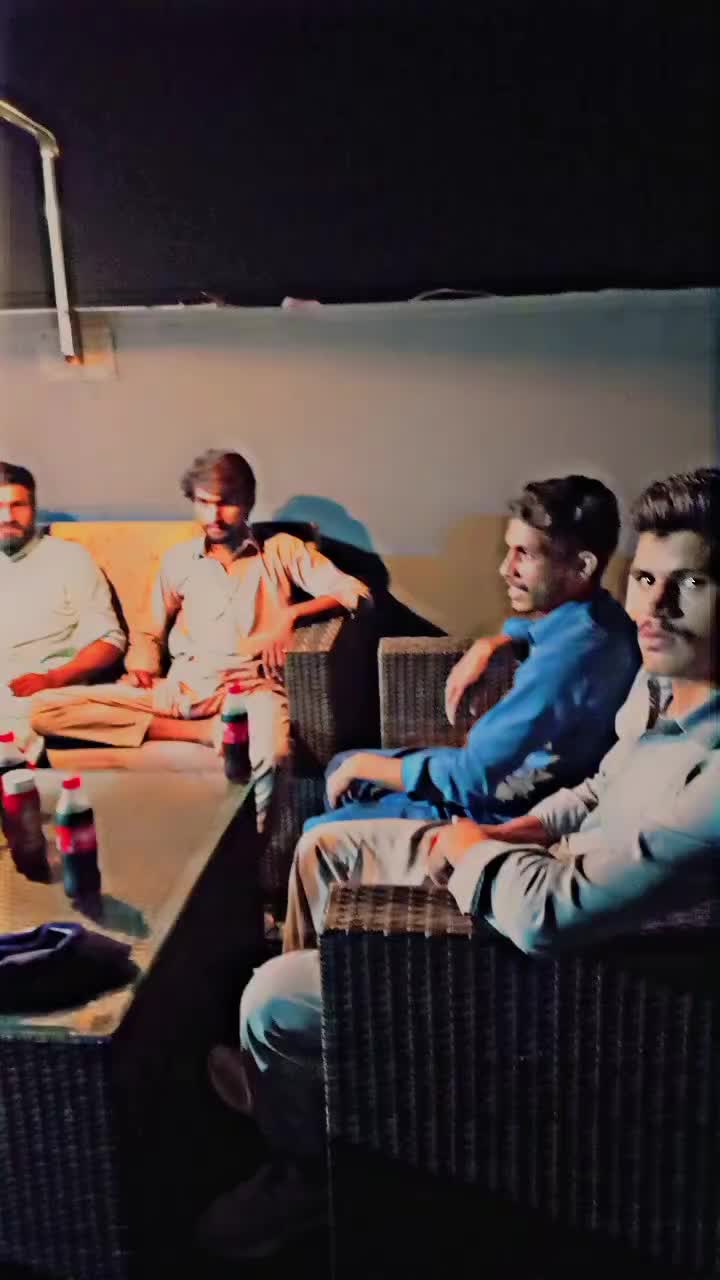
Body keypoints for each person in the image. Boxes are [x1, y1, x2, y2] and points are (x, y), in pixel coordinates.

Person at [197, 466, 720, 1261]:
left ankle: (305, 1173)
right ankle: (313, 1082)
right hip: (530, 863)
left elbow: (550, 917)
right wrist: (520, 827)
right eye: (646, 578)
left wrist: (476, 847)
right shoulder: (661, 677)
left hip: (567, 973)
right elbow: (599, 788)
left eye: (691, 584)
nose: (654, 605)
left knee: (270, 997)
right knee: (330, 846)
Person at [287, 474, 640, 948]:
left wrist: (366, 766)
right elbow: (543, 630)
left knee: (322, 823)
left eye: (524, 554)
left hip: (502, 804)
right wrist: (498, 639)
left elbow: (472, 776)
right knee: (342, 767)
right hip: (503, 781)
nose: (505, 568)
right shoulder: (602, 620)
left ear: (581, 565)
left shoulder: (567, 661)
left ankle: (327, 956)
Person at [30, 450, 370, 825]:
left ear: (248, 502)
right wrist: (142, 667)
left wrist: (291, 615)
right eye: (204, 503)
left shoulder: (281, 550)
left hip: (250, 692)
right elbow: (148, 631)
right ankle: (204, 733)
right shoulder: (178, 560)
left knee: (273, 754)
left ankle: (252, 843)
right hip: (181, 691)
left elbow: (356, 592)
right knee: (45, 709)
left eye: (226, 503)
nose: (214, 516)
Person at [0, 461, 126, 760]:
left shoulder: (68, 559)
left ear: (34, 507)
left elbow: (109, 640)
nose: (7, 517)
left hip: (40, 697)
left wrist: (54, 678)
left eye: (18, 505)